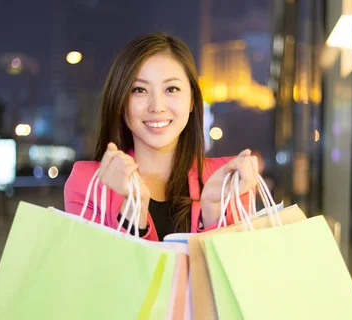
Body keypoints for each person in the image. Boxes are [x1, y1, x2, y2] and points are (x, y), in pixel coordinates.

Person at [64, 33, 258, 241]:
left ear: (192, 100)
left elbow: (229, 271)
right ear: (120, 102)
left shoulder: (229, 183)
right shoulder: (87, 184)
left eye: (171, 89)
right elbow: (95, 271)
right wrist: (132, 211)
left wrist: (213, 210)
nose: (157, 106)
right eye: (139, 90)